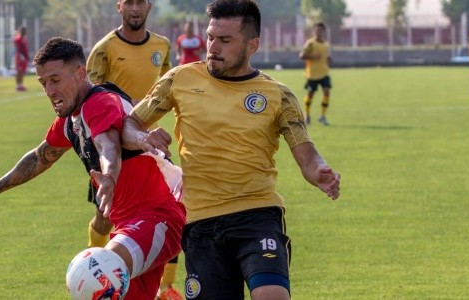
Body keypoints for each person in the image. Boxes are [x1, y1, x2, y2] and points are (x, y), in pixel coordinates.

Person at [121, 1, 341, 299]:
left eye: (225, 41)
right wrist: (141, 139)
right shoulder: (179, 79)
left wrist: (320, 171)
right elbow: (129, 124)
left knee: (272, 296)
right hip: (201, 223)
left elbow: (307, 155)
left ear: (252, 45)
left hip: (257, 215)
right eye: (211, 37)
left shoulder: (278, 95)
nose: (212, 47)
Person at [0, 37, 185, 299]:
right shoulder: (70, 120)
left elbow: (107, 145)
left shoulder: (97, 103)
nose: (49, 90)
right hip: (129, 224)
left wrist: (109, 175)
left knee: (96, 273)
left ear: (79, 74)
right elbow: (39, 157)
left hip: (158, 217)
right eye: (43, 83)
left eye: (55, 80)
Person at [85, 1, 181, 298]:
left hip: (148, 144)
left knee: (167, 210)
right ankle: (94, 267)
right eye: (130, 3)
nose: (135, 8)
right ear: (120, 7)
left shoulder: (162, 45)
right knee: (106, 216)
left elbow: (168, 90)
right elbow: (89, 98)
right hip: (113, 144)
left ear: (149, 6)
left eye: (141, 2)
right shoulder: (104, 48)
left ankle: (166, 285)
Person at [300, 22, 332, 126]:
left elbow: (325, 57)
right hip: (312, 74)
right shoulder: (310, 43)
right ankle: (307, 114)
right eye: (317, 30)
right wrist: (313, 56)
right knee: (310, 95)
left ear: (323, 32)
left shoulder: (326, 44)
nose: (318, 32)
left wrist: (329, 59)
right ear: (314, 31)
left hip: (324, 73)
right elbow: (302, 55)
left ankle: (322, 116)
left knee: (327, 92)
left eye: (320, 30)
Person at [13, 26, 30, 92]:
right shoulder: (18, 38)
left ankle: (21, 85)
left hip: (24, 56)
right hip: (20, 56)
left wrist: (27, 56)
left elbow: (25, 48)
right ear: (20, 31)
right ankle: (18, 86)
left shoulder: (23, 38)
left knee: (22, 71)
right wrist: (19, 55)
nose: (24, 32)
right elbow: (17, 47)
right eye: (23, 31)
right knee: (19, 71)